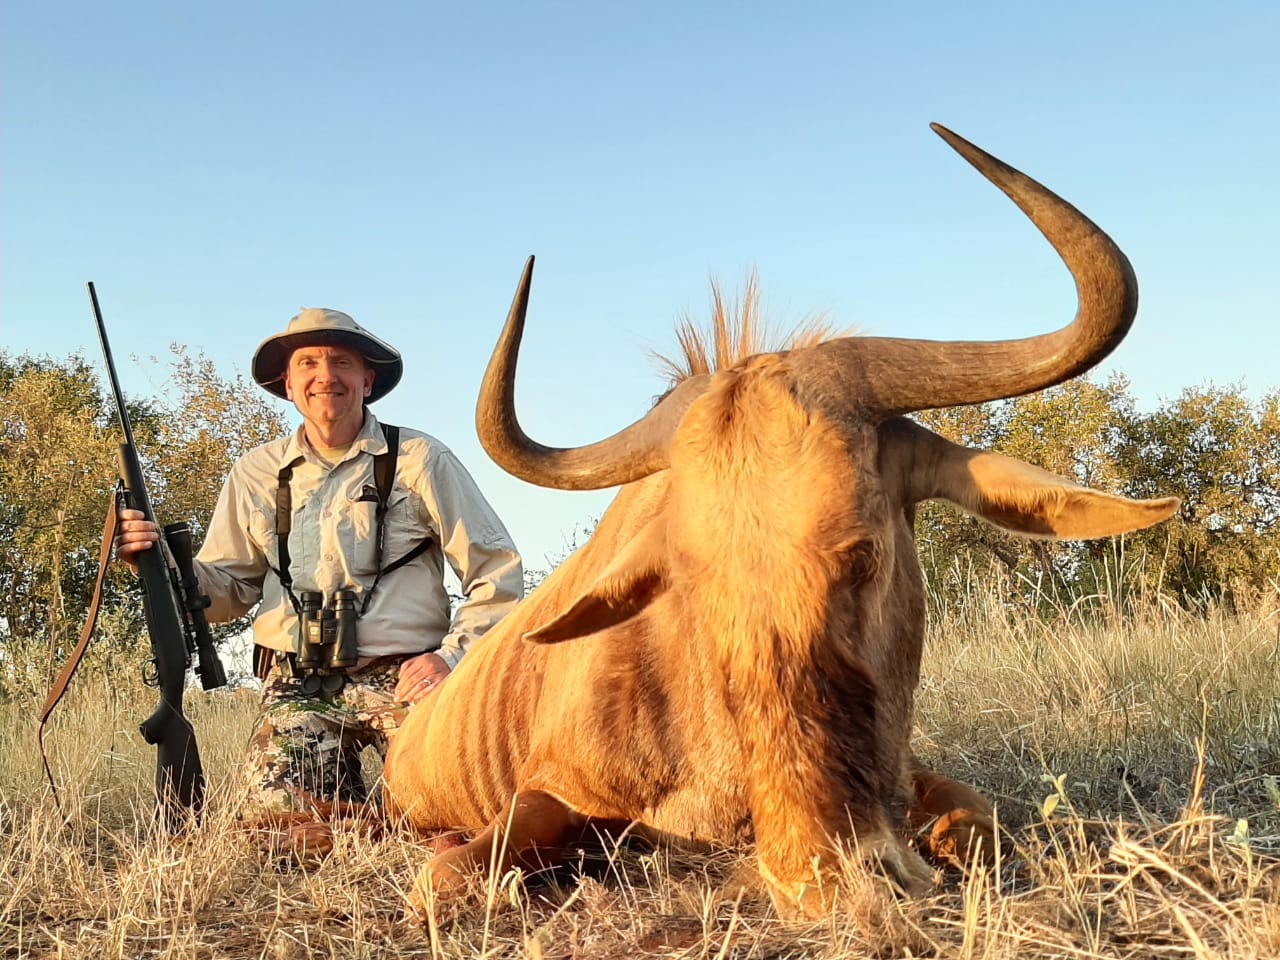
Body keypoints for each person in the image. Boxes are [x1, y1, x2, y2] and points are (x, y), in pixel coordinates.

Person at [113, 307, 523, 825]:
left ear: (367, 380)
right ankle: (379, 822)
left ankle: (394, 814)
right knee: (278, 825)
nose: (325, 376)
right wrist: (160, 565)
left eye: (341, 363)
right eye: (308, 364)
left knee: (465, 805)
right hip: (299, 681)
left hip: (409, 676)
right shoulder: (256, 471)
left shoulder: (422, 458)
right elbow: (229, 591)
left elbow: (496, 571)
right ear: (288, 384)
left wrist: (452, 658)